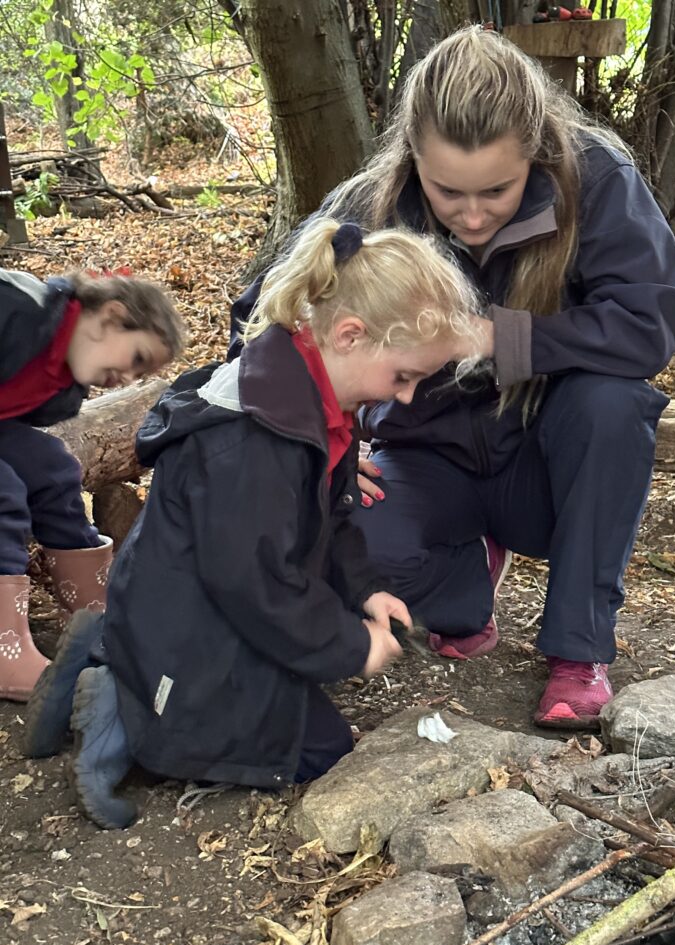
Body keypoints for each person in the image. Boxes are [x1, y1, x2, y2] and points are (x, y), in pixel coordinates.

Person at [232, 26, 675, 731]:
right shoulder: (370, 204)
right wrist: (317, 432)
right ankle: (465, 580)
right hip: (420, 456)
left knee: (613, 403)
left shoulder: (597, 177)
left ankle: (577, 652)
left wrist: (493, 337)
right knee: (353, 566)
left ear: (535, 153)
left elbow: (650, 322)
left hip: (547, 465)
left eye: (498, 191)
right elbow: (262, 314)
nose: (473, 216)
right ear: (413, 156)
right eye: (447, 190)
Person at [24, 219, 484, 829]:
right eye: (404, 376)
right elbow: (254, 582)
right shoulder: (252, 439)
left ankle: (106, 654)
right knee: (314, 753)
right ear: (349, 335)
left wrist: (365, 588)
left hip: (193, 612)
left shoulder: (310, 398)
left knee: (301, 726)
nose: (404, 397)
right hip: (192, 627)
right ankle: (121, 711)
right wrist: (348, 644)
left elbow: (335, 520)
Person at [0, 268, 184, 703]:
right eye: (137, 359)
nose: (128, 379)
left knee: (52, 469)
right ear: (110, 318)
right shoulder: (18, 311)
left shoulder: (62, 382)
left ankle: (91, 616)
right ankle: (4, 649)